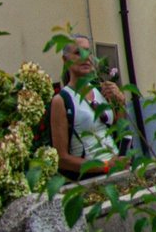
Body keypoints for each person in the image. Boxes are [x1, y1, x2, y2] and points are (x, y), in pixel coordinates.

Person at [51, 33, 126, 178]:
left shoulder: (101, 90)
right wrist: (105, 166)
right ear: (65, 60)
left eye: (88, 52)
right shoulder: (61, 100)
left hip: (118, 169)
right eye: (78, 53)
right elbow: (61, 159)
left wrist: (120, 103)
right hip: (92, 178)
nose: (85, 58)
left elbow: (118, 128)